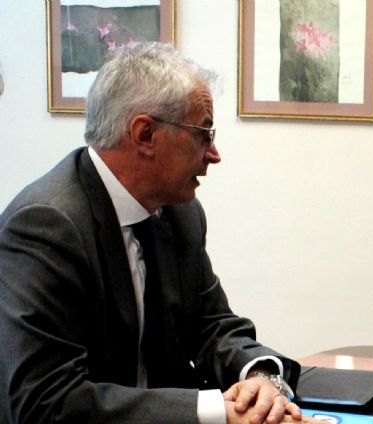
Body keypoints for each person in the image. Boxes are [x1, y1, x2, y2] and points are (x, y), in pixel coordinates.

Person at [0, 42, 306, 423]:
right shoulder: (46, 225)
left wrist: (259, 377)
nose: (214, 154)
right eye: (204, 134)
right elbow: (45, 401)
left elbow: (212, 325)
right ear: (145, 134)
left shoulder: (180, 213)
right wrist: (214, 412)